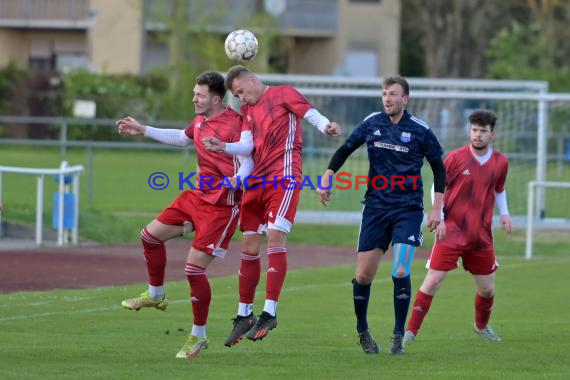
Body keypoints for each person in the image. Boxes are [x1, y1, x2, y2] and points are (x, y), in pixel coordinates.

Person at [116, 70, 253, 359]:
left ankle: (198, 336)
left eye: (199, 95)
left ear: (216, 98)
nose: (194, 98)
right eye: (194, 93)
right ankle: (155, 294)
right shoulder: (201, 121)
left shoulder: (236, 124)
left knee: (193, 269)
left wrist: (237, 180)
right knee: (149, 236)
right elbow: (181, 137)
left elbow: (248, 158)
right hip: (196, 197)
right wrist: (143, 129)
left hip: (222, 206)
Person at [203, 65, 341, 345]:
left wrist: (326, 125)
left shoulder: (283, 94)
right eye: (236, 95)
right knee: (249, 245)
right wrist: (223, 146)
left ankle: (270, 311)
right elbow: (246, 147)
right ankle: (244, 314)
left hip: (285, 175)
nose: (241, 97)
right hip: (257, 179)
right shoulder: (247, 112)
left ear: (252, 80)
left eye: (241, 91)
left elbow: (309, 114)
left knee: (276, 237)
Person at [317, 76, 446, 355]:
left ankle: (398, 336)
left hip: (408, 209)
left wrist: (437, 208)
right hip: (375, 208)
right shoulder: (372, 122)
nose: (387, 98)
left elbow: (439, 169)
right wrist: (328, 175)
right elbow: (345, 149)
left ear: (405, 99)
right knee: (363, 276)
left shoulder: (420, 130)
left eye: (393, 94)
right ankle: (362, 330)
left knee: (400, 269)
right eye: (384, 93)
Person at [404, 109, 512, 345]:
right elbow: (437, 187)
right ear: (469, 130)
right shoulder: (455, 158)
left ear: (492, 134)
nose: (478, 135)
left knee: (487, 290)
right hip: (451, 230)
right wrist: (439, 216)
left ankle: (481, 326)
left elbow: (499, 189)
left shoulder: (501, 162)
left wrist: (505, 214)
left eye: (483, 131)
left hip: (481, 234)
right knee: (432, 281)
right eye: (474, 130)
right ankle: (409, 332)